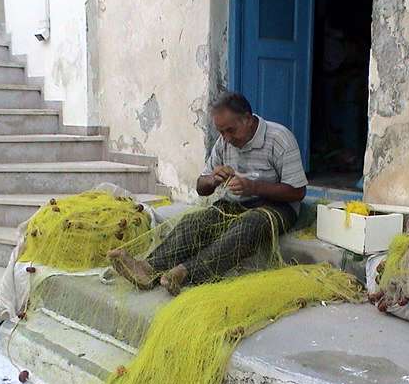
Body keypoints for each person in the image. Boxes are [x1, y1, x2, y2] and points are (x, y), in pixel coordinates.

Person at [108, 91, 308, 294]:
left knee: (247, 227)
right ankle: (148, 269)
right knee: (195, 222)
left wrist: (253, 187)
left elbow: (298, 192)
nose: (226, 138)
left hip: (277, 208)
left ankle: (185, 273)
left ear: (247, 119)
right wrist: (213, 180)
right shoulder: (224, 142)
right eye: (221, 132)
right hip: (235, 204)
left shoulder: (279, 138)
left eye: (231, 130)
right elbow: (201, 188)